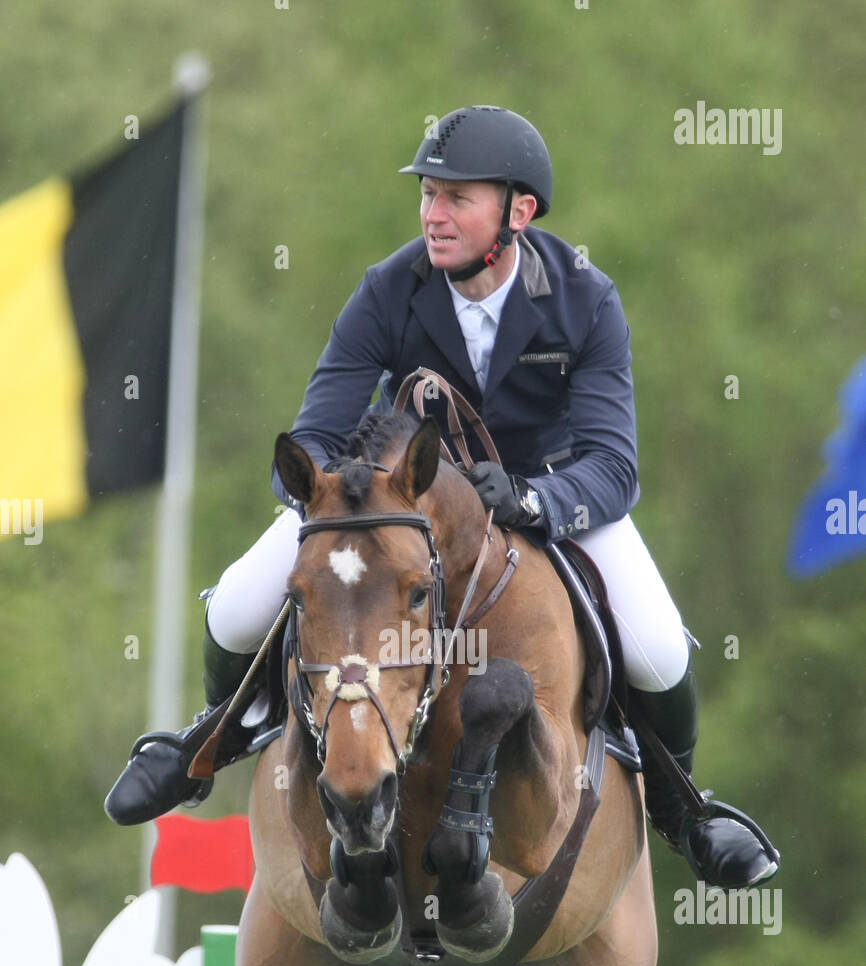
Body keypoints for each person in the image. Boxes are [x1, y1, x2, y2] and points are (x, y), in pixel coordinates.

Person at [105, 104, 778, 890]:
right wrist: (339, 497)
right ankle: (219, 734)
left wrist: (533, 499)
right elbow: (318, 431)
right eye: (428, 194)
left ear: (518, 211)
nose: (433, 214)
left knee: (659, 647)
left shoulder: (584, 299)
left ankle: (681, 807)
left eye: (458, 197)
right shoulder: (390, 290)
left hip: (548, 506)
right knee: (236, 606)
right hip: (398, 507)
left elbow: (614, 466)